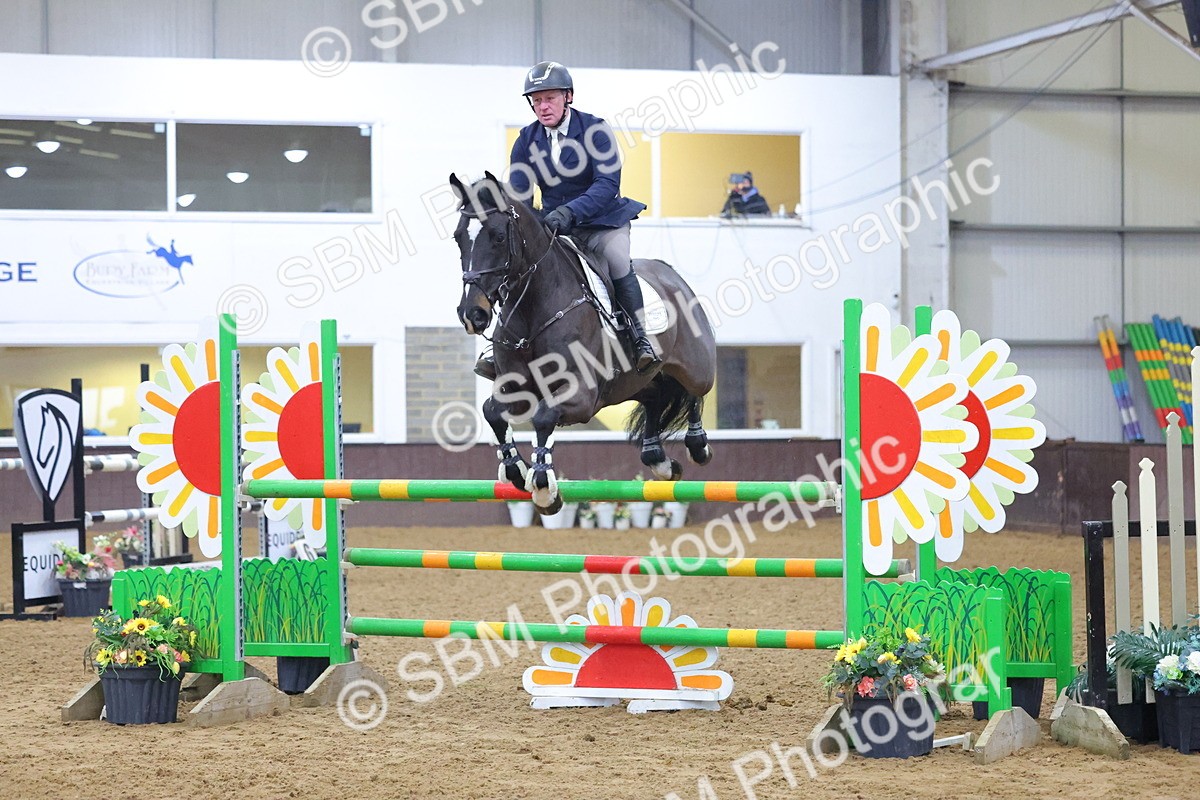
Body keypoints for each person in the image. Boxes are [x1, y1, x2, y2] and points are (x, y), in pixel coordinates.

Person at [474, 61, 659, 380]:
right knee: (517, 263)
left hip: (602, 222)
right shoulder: (526, 141)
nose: (542, 106)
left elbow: (607, 184)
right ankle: (501, 347)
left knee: (616, 260)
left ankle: (639, 337)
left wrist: (571, 211)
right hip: (555, 227)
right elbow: (521, 192)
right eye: (536, 100)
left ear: (568, 96)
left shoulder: (595, 131)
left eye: (549, 98)